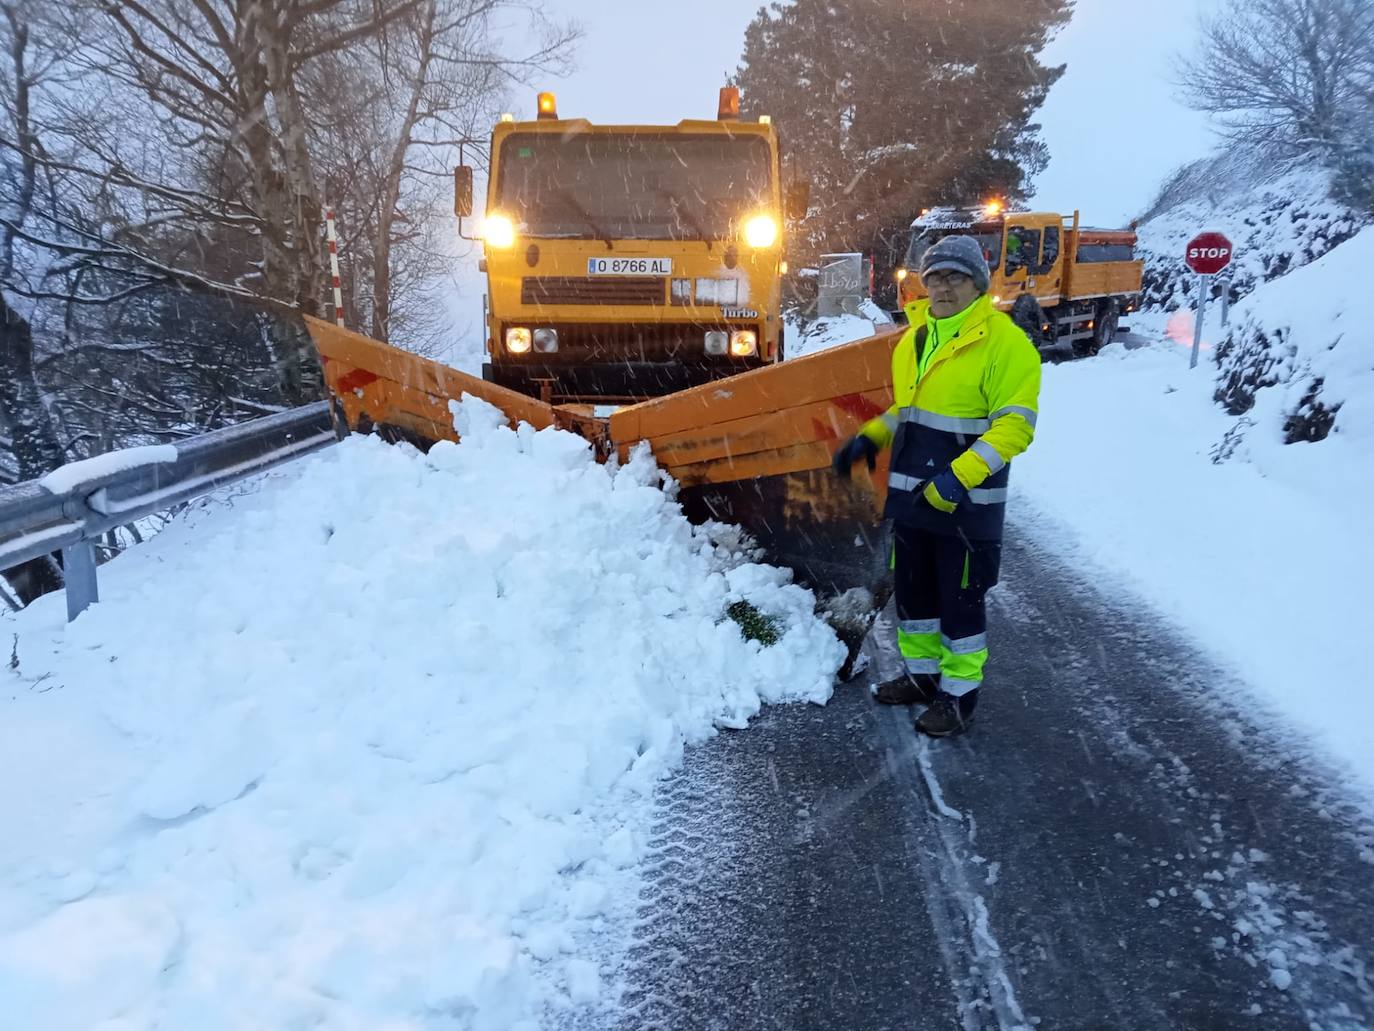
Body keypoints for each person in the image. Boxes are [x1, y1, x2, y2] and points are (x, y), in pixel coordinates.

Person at [831, 235, 1041, 737]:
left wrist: (955, 480)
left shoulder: (1006, 345)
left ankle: (959, 696)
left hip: (966, 509)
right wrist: (870, 438)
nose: (943, 286)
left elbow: (1014, 428)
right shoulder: (915, 340)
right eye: (935, 277)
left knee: (960, 602)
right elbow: (907, 411)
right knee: (915, 597)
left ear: (977, 284)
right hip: (912, 502)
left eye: (955, 276)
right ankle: (922, 679)